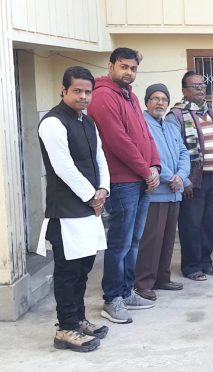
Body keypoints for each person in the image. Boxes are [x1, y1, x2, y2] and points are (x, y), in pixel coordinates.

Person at [37, 66, 109, 352]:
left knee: (83, 270)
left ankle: (78, 320)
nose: (83, 96)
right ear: (64, 90)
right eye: (77, 91)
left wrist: (103, 189)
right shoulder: (52, 123)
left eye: (87, 92)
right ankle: (65, 328)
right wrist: (93, 195)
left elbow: (99, 157)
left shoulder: (87, 122)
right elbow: (63, 167)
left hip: (89, 209)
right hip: (66, 211)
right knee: (67, 272)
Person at [88, 47, 160, 324]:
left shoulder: (127, 95)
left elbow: (145, 134)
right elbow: (117, 141)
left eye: (133, 68)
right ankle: (112, 299)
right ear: (111, 66)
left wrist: (155, 166)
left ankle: (126, 291)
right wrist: (146, 171)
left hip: (140, 180)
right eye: (124, 67)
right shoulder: (104, 95)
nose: (129, 72)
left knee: (133, 241)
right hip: (122, 182)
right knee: (119, 243)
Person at [167, 71, 213, 281]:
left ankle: (206, 262)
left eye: (203, 85)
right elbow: (173, 150)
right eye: (195, 86)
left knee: (209, 222)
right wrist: (184, 179)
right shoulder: (176, 115)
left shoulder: (209, 112)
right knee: (191, 224)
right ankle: (191, 266)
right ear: (184, 91)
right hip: (192, 180)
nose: (201, 89)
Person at [134, 84, 190, 301]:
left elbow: (184, 152)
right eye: (155, 98)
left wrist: (182, 176)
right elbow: (147, 156)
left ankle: (162, 278)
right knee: (151, 239)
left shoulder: (171, 125)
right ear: (147, 102)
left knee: (167, 239)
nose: (160, 103)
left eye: (164, 99)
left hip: (175, 192)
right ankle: (143, 282)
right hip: (157, 192)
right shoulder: (142, 125)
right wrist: (170, 177)